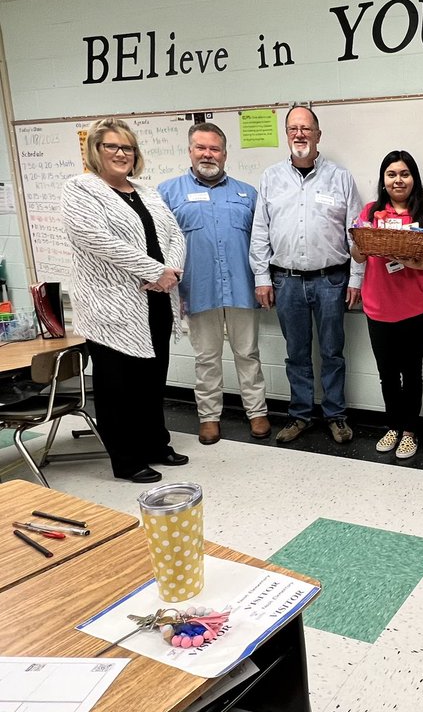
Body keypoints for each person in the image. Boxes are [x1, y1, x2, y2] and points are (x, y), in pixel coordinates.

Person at [62, 118, 189, 483]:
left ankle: (155, 443)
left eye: (127, 148)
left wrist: (173, 271)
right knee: (117, 385)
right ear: (96, 151)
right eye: (112, 147)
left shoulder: (146, 192)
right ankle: (126, 458)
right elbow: (94, 238)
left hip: (156, 300)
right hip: (110, 307)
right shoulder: (81, 189)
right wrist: (153, 269)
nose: (121, 154)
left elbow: (174, 234)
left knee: (152, 378)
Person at [250, 105, 363, 445]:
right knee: (296, 353)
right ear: (287, 135)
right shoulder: (271, 178)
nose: (299, 134)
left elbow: (357, 233)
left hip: (331, 280)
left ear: (318, 134)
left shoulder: (341, 178)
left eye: (306, 128)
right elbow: (260, 231)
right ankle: (300, 415)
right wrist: (261, 277)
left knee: (332, 352)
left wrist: (356, 277)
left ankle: (335, 416)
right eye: (293, 129)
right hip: (286, 281)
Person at [160, 122, 270, 445]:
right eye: (201, 148)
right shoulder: (168, 193)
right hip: (198, 290)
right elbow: (161, 243)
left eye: (215, 148)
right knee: (206, 357)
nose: (208, 154)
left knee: (248, 353)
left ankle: (257, 412)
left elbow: (261, 242)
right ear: (190, 151)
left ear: (225, 153)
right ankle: (209, 417)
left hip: (242, 288)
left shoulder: (247, 194)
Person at [351, 150, 423, 461]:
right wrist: (361, 246)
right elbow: (358, 255)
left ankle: (409, 430)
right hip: (377, 306)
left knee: (411, 371)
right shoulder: (370, 212)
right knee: (387, 373)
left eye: (404, 174)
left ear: (414, 179)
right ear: (383, 180)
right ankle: (393, 425)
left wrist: (409, 260)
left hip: (416, 307)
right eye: (391, 174)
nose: (398, 180)